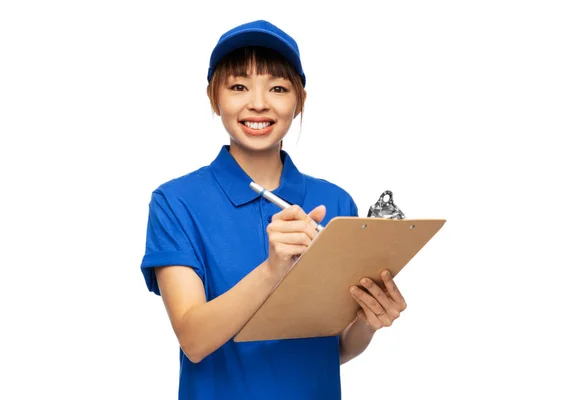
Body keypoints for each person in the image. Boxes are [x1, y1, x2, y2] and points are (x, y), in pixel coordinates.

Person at [140, 20, 407, 400]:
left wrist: (368, 321)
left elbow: (332, 350)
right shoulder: (176, 201)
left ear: (299, 101)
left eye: (278, 88)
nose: (259, 103)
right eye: (238, 87)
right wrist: (272, 269)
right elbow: (194, 341)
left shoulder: (335, 203)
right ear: (213, 97)